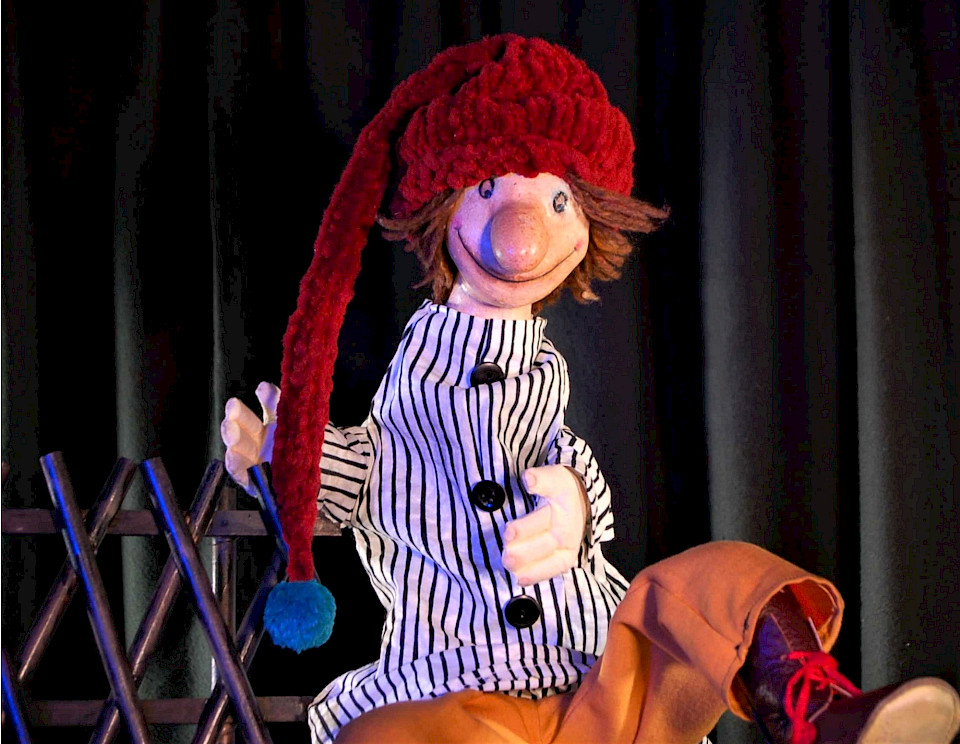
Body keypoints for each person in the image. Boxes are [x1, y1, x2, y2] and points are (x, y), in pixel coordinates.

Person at [220, 35, 960, 744]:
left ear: (585, 223)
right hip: (460, 699)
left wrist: (574, 505)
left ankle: (820, 717)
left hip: (604, 685)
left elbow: (577, 475)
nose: (520, 233)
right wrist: (284, 454)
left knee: (731, 572)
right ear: (443, 206)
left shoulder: (546, 388)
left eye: (557, 201)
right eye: (487, 189)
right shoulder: (399, 421)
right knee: (384, 735)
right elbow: (342, 480)